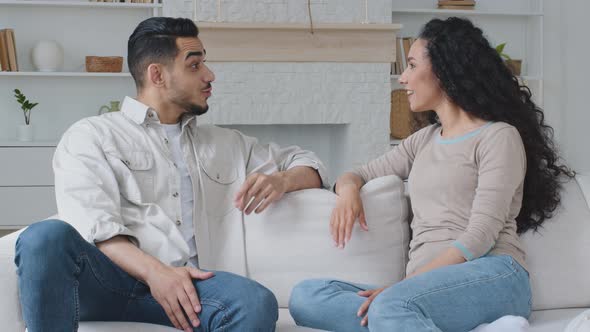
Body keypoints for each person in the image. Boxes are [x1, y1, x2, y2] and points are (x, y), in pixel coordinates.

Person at [14, 17, 328, 332]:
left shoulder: (226, 144)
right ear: (157, 74)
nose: (210, 75)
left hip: (191, 288)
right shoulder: (92, 135)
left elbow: (310, 164)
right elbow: (98, 227)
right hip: (105, 282)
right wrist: (156, 274)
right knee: (42, 237)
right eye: (195, 66)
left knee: (255, 302)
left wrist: (282, 180)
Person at [289, 17, 573, 332]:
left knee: (390, 306)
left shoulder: (498, 137)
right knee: (305, 297)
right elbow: (355, 173)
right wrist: (349, 192)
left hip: (492, 274)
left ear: (443, 70)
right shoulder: (422, 141)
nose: (403, 78)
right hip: (424, 291)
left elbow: (480, 235)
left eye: (411, 66)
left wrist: (402, 289)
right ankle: (403, 320)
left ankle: (397, 315)